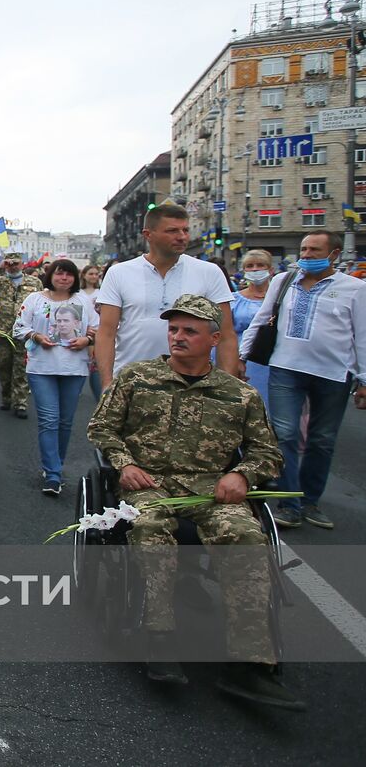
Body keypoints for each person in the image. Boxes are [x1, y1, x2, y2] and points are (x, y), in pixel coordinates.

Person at [87, 294, 301, 710]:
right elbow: (102, 429)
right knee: (149, 527)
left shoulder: (238, 394)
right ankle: (159, 636)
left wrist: (242, 474)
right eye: (174, 329)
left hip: (212, 490)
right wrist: (124, 464)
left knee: (244, 535)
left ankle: (250, 664)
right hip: (149, 484)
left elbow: (268, 453)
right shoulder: (137, 378)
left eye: (190, 331)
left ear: (214, 339)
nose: (178, 337)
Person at [240, 232, 366, 530]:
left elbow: (362, 336)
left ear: (334, 254)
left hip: (333, 374)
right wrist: (243, 357)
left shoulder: (355, 288)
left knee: (321, 441)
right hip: (286, 368)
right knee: (284, 434)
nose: (307, 255)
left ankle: (311, 501)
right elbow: (262, 320)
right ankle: (289, 503)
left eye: (314, 250)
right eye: (304, 249)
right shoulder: (284, 282)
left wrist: (363, 379)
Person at [95, 204, 238, 389]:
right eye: (172, 231)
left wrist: (227, 389)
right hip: (132, 381)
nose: (182, 236)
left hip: (192, 383)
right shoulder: (119, 273)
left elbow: (226, 335)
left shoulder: (209, 272)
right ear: (148, 235)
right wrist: (107, 384)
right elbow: (106, 334)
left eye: (185, 230)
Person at [13, 258, 96, 495]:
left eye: (69, 275)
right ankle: (53, 474)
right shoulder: (35, 299)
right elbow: (18, 327)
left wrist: (87, 340)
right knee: (49, 420)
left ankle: (54, 464)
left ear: (75, 278)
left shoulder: (83, 301)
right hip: (42, 368)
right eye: (59, 274)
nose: (64, 278)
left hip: (74, 368)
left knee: (65, 422)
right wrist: (36, 336)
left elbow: (98, 329)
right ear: (50, 275)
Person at [0, 251, 43, 417]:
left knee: (21, 367)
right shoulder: (0, 280)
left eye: (16, 263)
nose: (13, 267)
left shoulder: (34, 282)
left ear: (22, 264)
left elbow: (42, 303)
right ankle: (6, 397)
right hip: (4, 331)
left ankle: (20, 402)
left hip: (26, 331)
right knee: (3, 366)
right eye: (10, 263)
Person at [228, 249, 274, 406]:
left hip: (272, 360)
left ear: (270, 269)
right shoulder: (234, 300)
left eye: (260, 265)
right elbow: (226, 333)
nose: (255, 269)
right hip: (241, 359)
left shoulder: (282, 298)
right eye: (250, 266)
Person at [80, 264, 104, 398]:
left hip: (98, 332)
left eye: (96, 274)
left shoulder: (102, 292)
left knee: (94, 363)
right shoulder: (78, 293)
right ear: (84, 275)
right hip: (82, 332)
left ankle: (99, 394)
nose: (94, 276)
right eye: (91, 274)